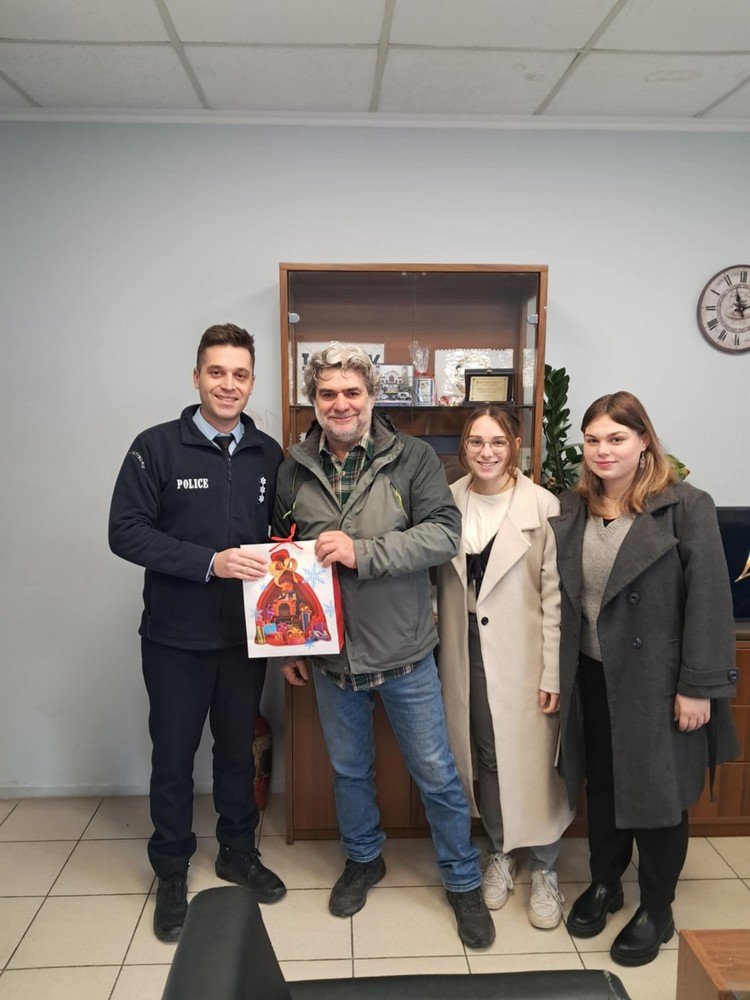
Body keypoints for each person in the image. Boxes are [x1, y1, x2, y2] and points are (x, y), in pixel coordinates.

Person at [274, 344, 495, 949]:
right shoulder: (293, 468)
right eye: (327, 393)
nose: (340, 404)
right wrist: (289, 645)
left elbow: (444, 534)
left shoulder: (413, 458)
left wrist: (362, 552)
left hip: (404, 652)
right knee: (349, 772)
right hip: (330, 656)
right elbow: (280, 557)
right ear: (314, 401)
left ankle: (461, 879)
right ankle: (364, 859)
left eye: (353, 391)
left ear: (373, 396)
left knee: (436, 773)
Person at [109, 323, 287, 942]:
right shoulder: (156, 447)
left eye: (240, 374)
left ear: (252, 382)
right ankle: (171, 870)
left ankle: (237, 851)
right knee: (174, 758)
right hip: (174, 638)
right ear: (196, 377)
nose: (228, 385)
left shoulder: (268, 453)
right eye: (217, 372)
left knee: (237, 752)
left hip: (244, 638)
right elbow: (125, 532)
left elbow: (284, 537)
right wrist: (209, 562)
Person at [550, 391, 739, 967]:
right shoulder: (575, 505)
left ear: (643, 441)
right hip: (591, 675)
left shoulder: (685, 506)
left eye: (616, 438)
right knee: (604, 785)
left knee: (659, 795)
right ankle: (606, 883)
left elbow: (710, 601)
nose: (602, 450)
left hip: (659, 683)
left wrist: (698, 687)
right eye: (592, 440)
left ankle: (658, 909)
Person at [437, 406, 574, 930]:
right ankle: (500, 849)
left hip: (526, 654)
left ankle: (544, 867)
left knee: (536, 758)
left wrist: (552, 672)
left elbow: (555, 597)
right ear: (463, 447)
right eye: (476, 441)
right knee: (487, 756)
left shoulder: (543, 505)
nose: (487, 452)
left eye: (498, 441)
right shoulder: (448, 500)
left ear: (515, 445)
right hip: (466, 647)